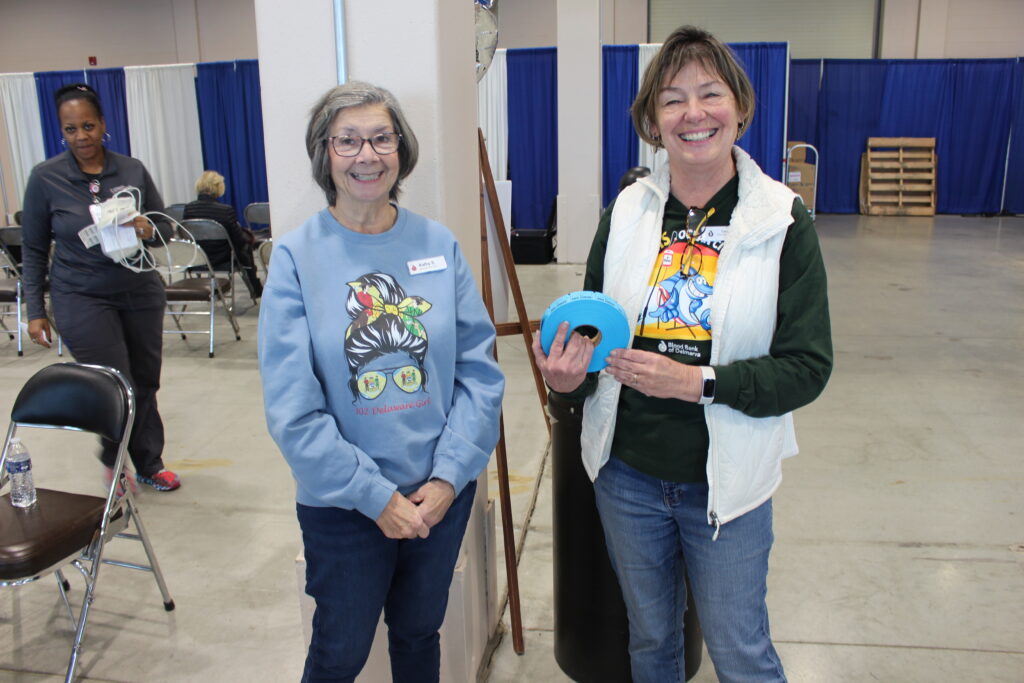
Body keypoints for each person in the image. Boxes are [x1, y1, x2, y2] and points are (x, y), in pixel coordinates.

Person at [532, 26, 832, 682]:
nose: (692, 113)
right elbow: (590, 338)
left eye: (709, 94)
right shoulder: (629, 212)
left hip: (727, 482)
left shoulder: (782, 221)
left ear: (741, 108)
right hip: (628, 475)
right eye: (672, 99)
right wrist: (566, 378)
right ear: (652, 120)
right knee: (652, 643)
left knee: (740, 650)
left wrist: (696, 381)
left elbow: (808, 366)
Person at [258, 81, 504, 682]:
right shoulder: (295, 258)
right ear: (325, 154)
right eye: (347, 140)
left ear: (401, 149)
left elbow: (480, 372)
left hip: (437, 497)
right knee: (339, 652)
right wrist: (376, 498)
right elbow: (294, 411)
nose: (367, 155)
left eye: (381, 138)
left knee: (420, 636)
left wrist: (448, 478)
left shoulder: (437, 244)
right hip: (345, 506)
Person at [20, 83, 180, 492]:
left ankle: (148, 463)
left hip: (138, 290)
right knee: (114, 383)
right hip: (81, 294)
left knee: (145, 382)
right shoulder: (46, 178)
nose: (81, 137)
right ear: (61, 131)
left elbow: (162, 226)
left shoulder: (131, 170)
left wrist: (145, 227)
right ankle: (114, 461)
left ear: (103, 125)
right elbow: (35, 248)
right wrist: (34, 309)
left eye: (88, 126)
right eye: (70, 129)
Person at [183, 170, 263, 300]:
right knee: (245, 247)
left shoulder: (188, 209)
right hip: (222, 259)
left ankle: (255, 288)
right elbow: (238, 241)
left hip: (198, 259)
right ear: (218, 187)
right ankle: (255, 287)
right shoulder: (225, 210)